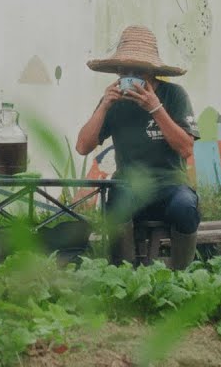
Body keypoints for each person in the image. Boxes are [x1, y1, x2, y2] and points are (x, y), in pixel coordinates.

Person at [75, 24, 201, 269]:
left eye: (138, 71)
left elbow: (186, 149)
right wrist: (104, 106)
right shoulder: (115, 102)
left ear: (152, 73)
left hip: (170, 184)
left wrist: (155, 108)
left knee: (186, 208)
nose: (130, 76)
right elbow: (82, 146)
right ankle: (122, 274)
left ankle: (182, 273)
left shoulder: (174, 95)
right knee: (116, 206)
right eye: (124, 71)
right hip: (129, 185)